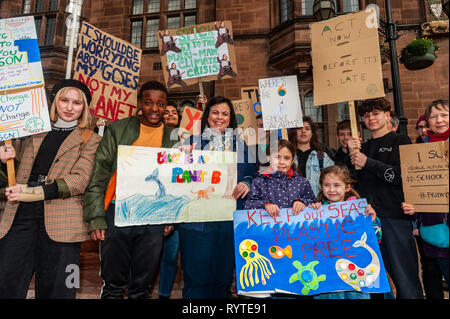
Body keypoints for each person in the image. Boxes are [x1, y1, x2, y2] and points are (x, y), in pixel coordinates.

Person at [0, 79, 101, 299]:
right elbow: (9, 173)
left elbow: (79, 181)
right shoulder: (31, 130)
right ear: (54, 102)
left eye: (76, 103)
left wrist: (30, 193)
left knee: (60, 290)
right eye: (64, 100)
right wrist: (1, 159)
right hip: (18, 216)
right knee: (6, 282)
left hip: (63, 223)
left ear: (84, 107)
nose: (69, 107)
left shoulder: (91, 139)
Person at [83, 81, 176, 299]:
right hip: (117, 213)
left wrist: (170, 216)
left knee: (142, 287)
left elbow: (174, 182)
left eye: (161, 104)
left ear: (166, 106)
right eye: (149, 103)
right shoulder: (117, 129)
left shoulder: (174, 136)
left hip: (153, 217)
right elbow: (100, 173)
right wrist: (96, 217)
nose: (155, 109)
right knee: (113, 285)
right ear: (139, 103)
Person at [178, 96, 256, 299]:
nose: (219, 117)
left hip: (228, 220)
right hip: (197, 221)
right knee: (196, 278)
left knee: (222, 278)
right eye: (215, 112)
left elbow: (250, 173)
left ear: (231, 119)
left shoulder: (239, 144)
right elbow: (178, 177)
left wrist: (246, 183)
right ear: (207, 115)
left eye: (225, 113)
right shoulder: (191, 142)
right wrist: (182, 158)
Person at [346, 97, 423, 299]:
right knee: (371, 280)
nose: (371, 118)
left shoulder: (401, 141)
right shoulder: (361, 147)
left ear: (388, 115)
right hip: (366, 220)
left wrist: (368, 162)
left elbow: (401, 177)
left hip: (393, 217)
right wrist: (349, 153)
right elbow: (349, 181)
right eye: (366, 115)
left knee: (404, 278)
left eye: (376, 113)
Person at [308, 165, 382, 299]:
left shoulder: (360, 210)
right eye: (327, 185)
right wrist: (312, 212)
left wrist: (372, 220)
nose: (331, 190)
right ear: (321, 187)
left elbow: (377, 239)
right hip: (327, 275)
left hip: (356, 274)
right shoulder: (316, 211)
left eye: (336, 185)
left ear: (347, 187)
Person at [404, 99, 449, 294]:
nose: (439, 120)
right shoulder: (419, 149)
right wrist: (414, 207)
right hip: (437, 228)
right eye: (434, 116)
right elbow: (417, 187)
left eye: (444, 115)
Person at [244, 139, 316, 217]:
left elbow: (313, 202)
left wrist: (302, 202)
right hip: (269, 227)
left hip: (295, 228)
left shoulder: (302, 182)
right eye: (277, 157)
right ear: (268, 158)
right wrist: (265, 204)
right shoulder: (259, 182)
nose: (281, 162)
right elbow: (248, 205)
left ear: (292, 161)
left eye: (287, 158)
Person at [158, 100, 182, 299]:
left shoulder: (190, 138)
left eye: (174, 112)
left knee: (171, 257)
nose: (171, 114)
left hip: (184, 206)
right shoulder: (155, 139)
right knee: (151, 256)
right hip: (161, 205)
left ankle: (164, 294)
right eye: (167, 112)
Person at [288, 116, 334, 197]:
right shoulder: (287, 156)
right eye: (299, 128)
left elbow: (334, 180)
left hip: (316, 205)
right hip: (292, 204)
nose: (303, 131)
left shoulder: (321, 156)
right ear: (294, 132)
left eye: (307, 128)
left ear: (312, 133)